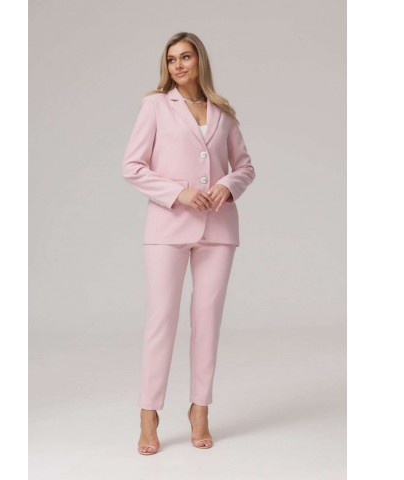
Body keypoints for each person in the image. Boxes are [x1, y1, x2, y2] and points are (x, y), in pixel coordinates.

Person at [121, 32, 256, 455]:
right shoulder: (155, 105)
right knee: (162, 318)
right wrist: (177, 193)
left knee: (207, 321)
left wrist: (228, 186)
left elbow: (246, 166)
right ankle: (148, 414)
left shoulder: (223, 112)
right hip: (168, 227)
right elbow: (132, 166)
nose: (178, 65)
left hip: (218, 229)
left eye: (185, 57)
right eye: (171, 59)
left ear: (200, 60)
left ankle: (200, 409)